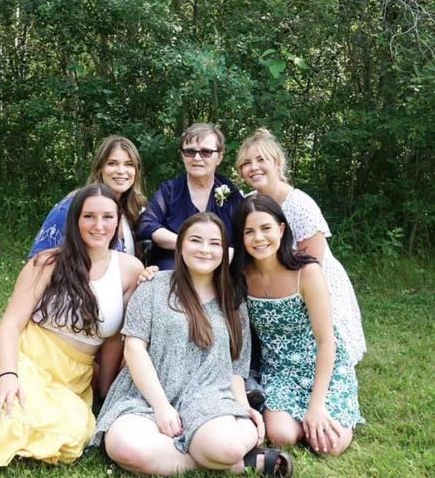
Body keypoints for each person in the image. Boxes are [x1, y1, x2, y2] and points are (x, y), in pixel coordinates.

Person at [0, 184, 143, 472]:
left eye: (107, 217)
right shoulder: (48, 262)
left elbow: (113, 340)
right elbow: (10, 324)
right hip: (26, 357)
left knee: (72, 429)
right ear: (75, 221)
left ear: (118, 222)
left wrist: (106, 392)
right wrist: (8, 375)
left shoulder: (131, 269)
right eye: (89, 216)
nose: (99, 225)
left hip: (73, 377)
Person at [91, 213, 293, 478]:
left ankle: (215, 455)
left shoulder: (232, 301)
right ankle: (237, 464)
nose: (205, 249)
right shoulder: (152, 287)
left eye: (214, 243)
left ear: (225, 251)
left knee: (227, 447)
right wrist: (161, 407)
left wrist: (243, 407)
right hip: (146, 397)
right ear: (180, 245)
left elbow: (236, 367)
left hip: (209, 398)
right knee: (124, 446)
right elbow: (134, 349)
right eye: (196, 240)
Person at [231, 195, 363, 456]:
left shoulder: (307, 272)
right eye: (249, 232)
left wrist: (317, 406)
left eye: (266, 228)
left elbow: (326, 341)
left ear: (281, 229)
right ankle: (301, 423)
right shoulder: (241, 277)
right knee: (282, 436)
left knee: (329, 446)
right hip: (280, 370)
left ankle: (324, 414)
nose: (259, 238)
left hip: (323, 367)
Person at [236, 128, 366, 365]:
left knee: (319, 346)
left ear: (277, 163)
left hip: (310, 283)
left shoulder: (299, 205)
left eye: (261, 160)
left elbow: (312, 262)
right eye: (246, 163)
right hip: (271, 283)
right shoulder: (248, 202)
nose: (253, 167)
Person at [137, 123, 243, 270]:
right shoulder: (170, 191)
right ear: (182, 155)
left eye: (206, 152)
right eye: (190, 152)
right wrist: (186, 245)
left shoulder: (231, 194)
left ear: (219, 157)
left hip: (219, 272)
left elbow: (242, 238)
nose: (197, 158)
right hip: (173, 270)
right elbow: (146, 224)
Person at [29, 135, 146, 259]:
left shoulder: (136, 211)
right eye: (112, 163)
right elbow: (38, 259)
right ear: (100, 168)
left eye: (129, 164)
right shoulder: (73, 205)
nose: (121, 171)